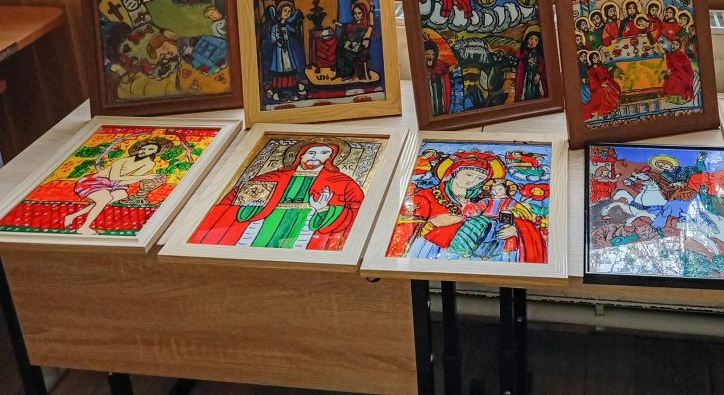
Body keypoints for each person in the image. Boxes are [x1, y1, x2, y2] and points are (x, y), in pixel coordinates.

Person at [190, 142, 364, 251]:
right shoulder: (271, 177)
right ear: (300, 155)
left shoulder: (342, 182)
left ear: (331, 158)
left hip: (306, 226)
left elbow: (359, 210)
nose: (315, 157)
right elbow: (232, 205)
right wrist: (254, 204)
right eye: (311, 152)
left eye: (323, 153)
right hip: (263, 224)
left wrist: (324, 209)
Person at [388, 152, 546, 262]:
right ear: (453, 173)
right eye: (469, 175)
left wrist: (516, 230)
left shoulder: (484, 200)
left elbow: (524, 220)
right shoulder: (426, 197)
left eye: (480, 178)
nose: (473, 181)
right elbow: (400, 236)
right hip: (433, 257)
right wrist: (433, 223)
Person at [64, 136, 172, 235]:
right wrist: (147, 176)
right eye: (143, 148)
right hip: (95, 182)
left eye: (150, 149)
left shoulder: (150, 164)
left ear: (156, 152)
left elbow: (125, 181)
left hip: (115, 185)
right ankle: (84, 228)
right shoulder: (123, 160)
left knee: (122, 194)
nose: (144, 151)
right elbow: (113, 177)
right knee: (105, 198)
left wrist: (147, 177)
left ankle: (72, 216)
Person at [264, 1, 306, 102]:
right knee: (279, 68)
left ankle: (291, 88)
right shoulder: (275, 26)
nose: (287, 13)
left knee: (288, 67)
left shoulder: (287, 26)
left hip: (286, 51)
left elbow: (293, 32)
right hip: (278, 52)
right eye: (285, 10)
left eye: (289, 11)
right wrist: (278, 39)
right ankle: (278, 90)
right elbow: (273, 39)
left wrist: (286, 33)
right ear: (280, 11)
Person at [335, 0, 374, 80]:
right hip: (352, 44)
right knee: (339, 49)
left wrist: (360, 44)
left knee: (347, 53)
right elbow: (348, 27)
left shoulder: (366, 25)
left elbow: (365, 38)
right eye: (355, 13)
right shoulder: (354, 24)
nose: (357, 15)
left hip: (360, 47)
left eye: (359, 13)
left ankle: (348, 74)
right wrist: (339, 24)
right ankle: (340, 73)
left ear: (363, 13)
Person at [586, 51, 620, 119]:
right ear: (591, 60)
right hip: (597, 87)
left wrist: (607, 76)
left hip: (606, 83)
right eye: (594, 58)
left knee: (610, 88)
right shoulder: (590, 70)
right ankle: (606, 111)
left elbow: (607, 76)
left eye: (597, 57)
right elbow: (593, 81)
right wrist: (602, 84)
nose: (596, 58)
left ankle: (612, 109)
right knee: (606, 90)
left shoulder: (601, 67)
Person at [514, 29, 546, 102]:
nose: (532, 42)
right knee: (527, 90)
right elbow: (520, 60)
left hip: (535, 75)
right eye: (531, 39)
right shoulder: (524, 51)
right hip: (526, 76)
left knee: (536, 90)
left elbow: (542, 63)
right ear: (527, 39)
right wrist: (526, 60)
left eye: (536, 40)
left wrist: (539, 74)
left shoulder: (538, 53)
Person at [425, 40, 454, 115]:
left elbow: (447, 69)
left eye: (432, 54)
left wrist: (449, 70)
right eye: (427, 54)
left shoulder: (439, 64)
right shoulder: (420, 65)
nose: (430, 57)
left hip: (439, 91)